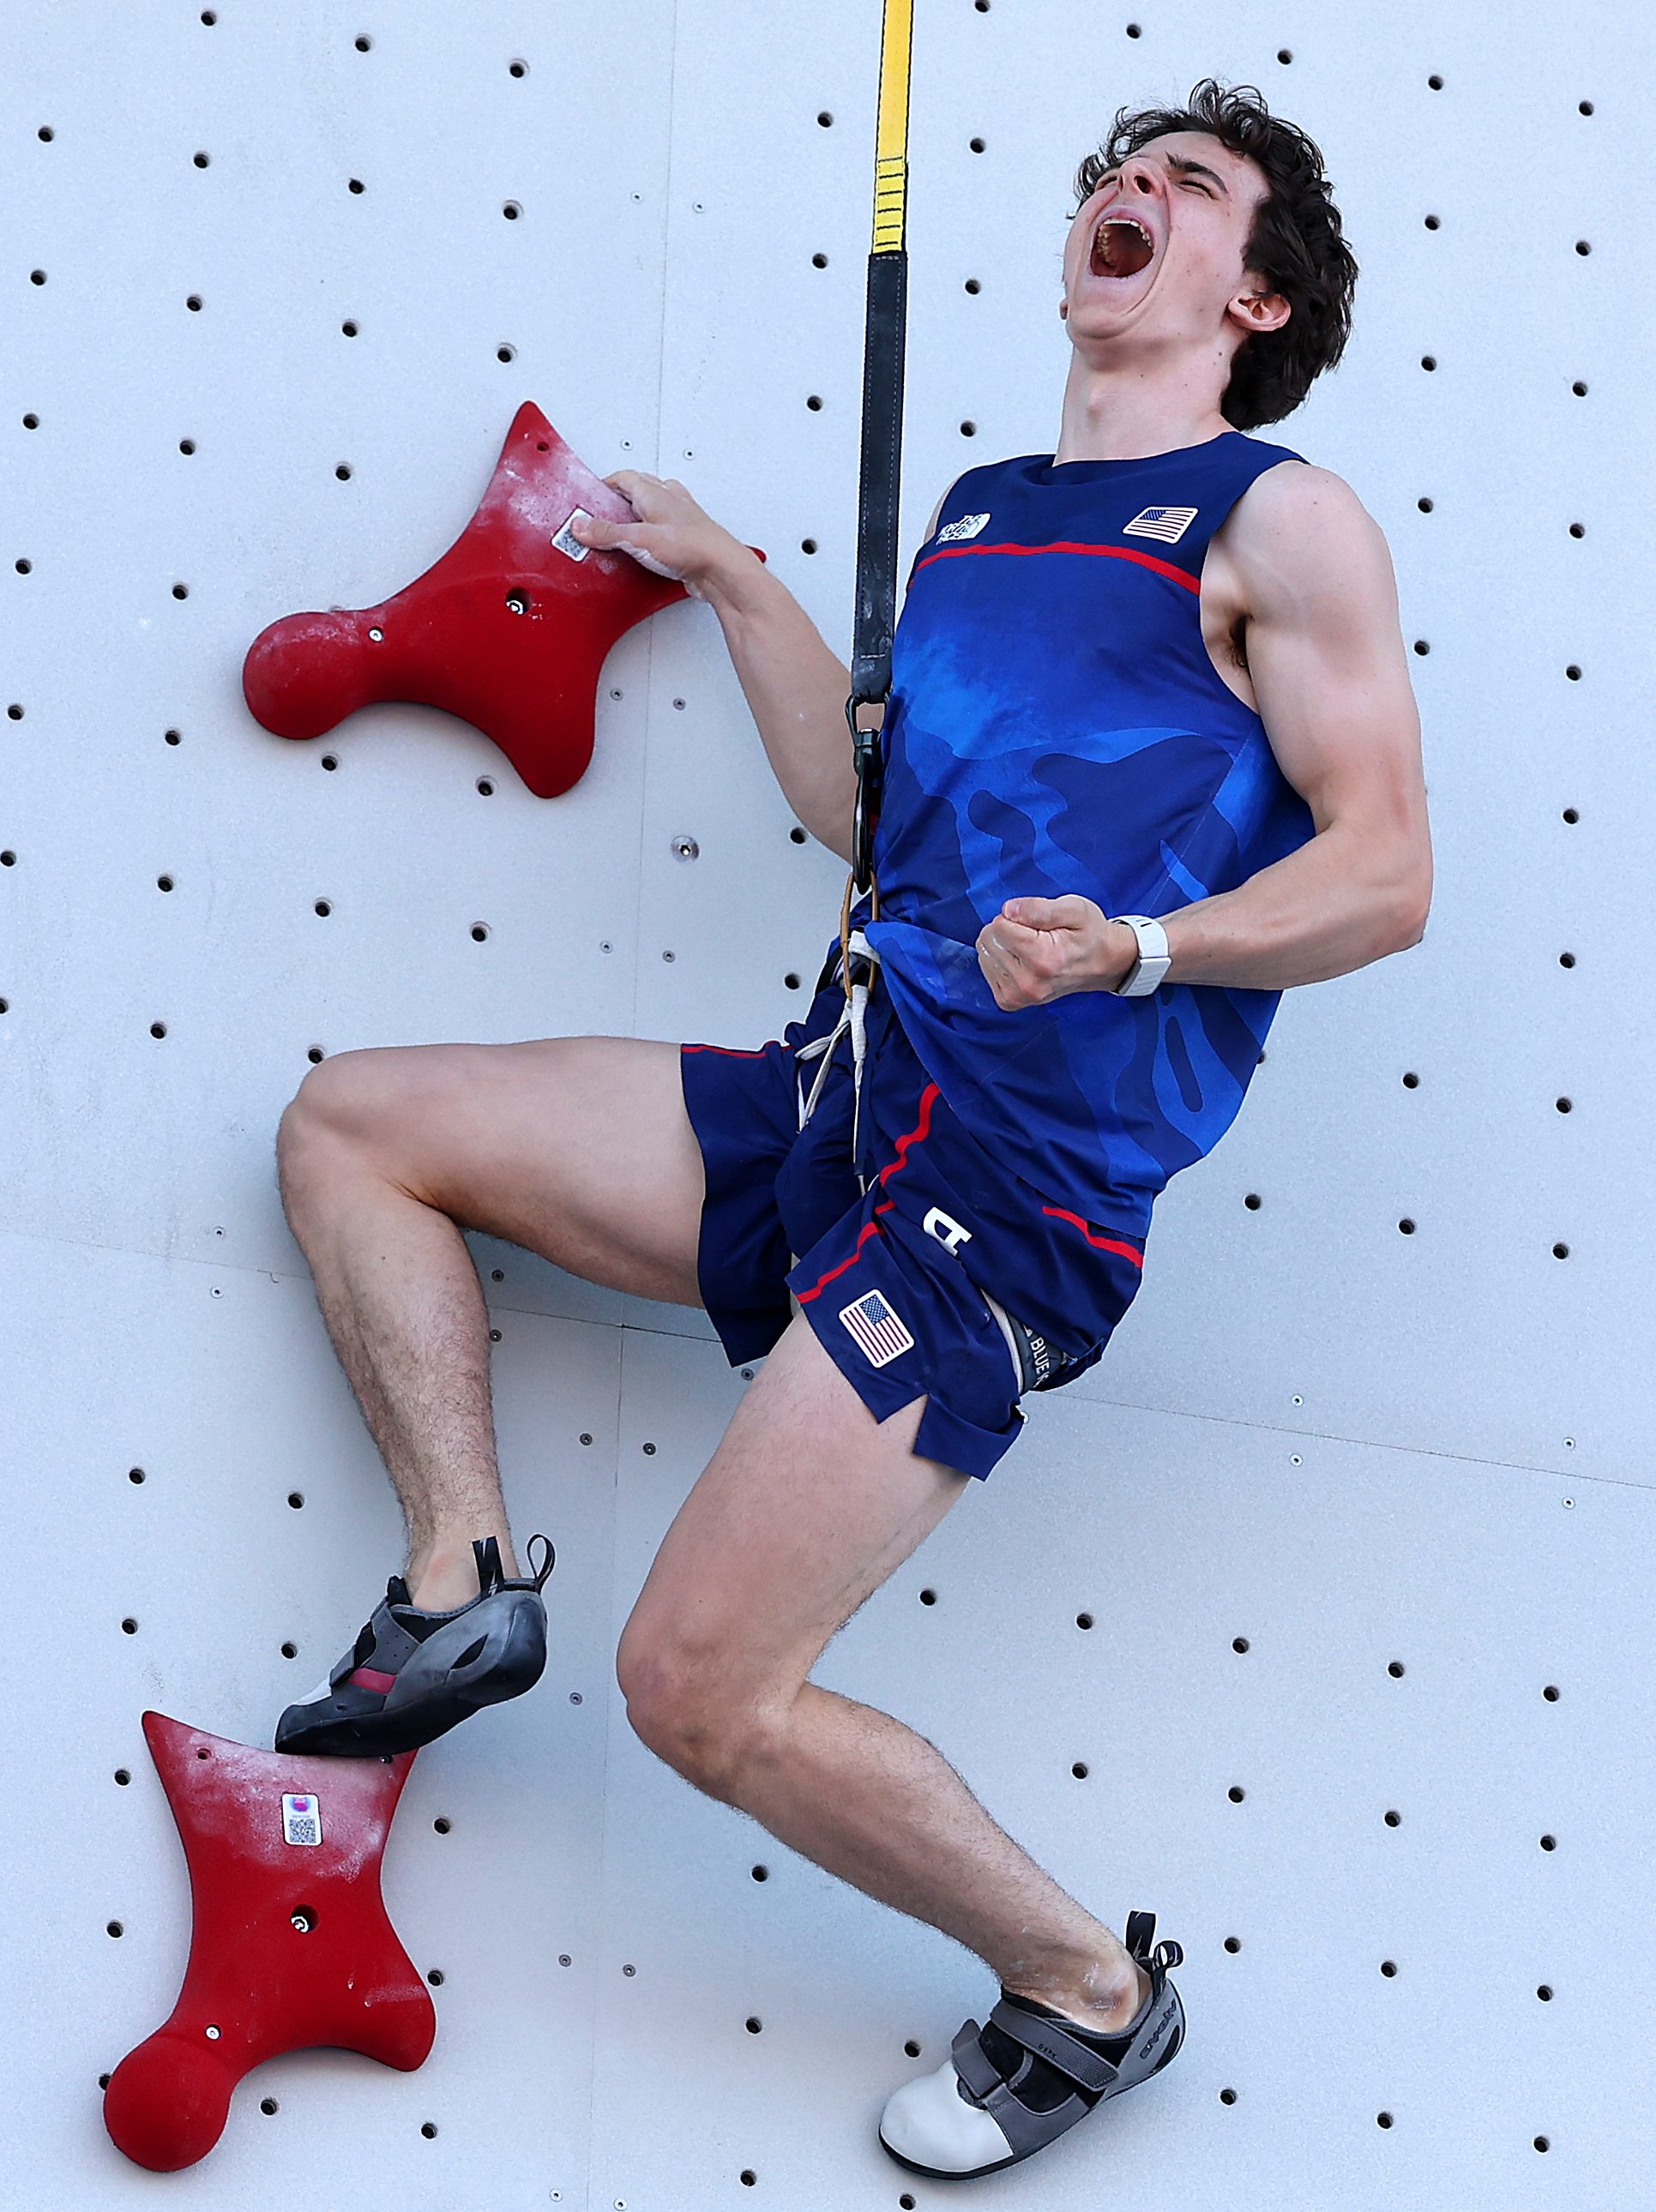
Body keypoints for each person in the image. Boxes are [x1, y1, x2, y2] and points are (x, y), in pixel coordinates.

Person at [270, 76, 1430, 2181]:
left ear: (1250, 294)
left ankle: (1091, 1990)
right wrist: (729, 574)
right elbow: (860, 811)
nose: (1131, 193)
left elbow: (1387, 874)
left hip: (998, 1204)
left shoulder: (1279, 518)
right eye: (1119, 172)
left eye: (1190, 189)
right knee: (358, 1127)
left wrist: (1149, 952)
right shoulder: (983, 510)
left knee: (700, 1694)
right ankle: (457, 1581)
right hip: (839, 1099)